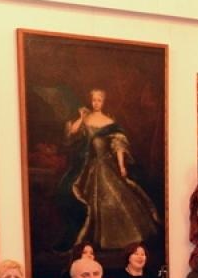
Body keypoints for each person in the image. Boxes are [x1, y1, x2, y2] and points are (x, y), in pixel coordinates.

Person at [61, 88, 161, 250]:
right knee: (84, 199)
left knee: (114, 198)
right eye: (94, 100)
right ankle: (91, 241)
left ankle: (116, 240)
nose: (96, 103)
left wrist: (121, 165)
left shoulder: (109, 122)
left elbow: (118, 145)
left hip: (107, 165)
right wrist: (81, 117)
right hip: (89, 164)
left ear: (104, 101)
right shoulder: (86, 119)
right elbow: (72, 133)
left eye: (99, 100)